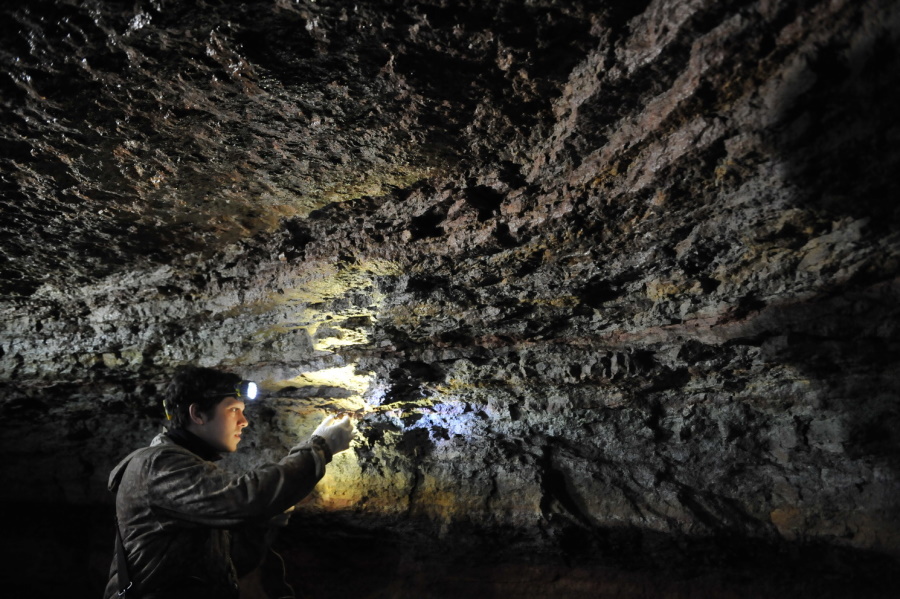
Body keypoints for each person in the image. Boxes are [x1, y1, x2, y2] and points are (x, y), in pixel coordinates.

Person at [103, 366, 353, 599]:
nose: (244, 421)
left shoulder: (190, 470)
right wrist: (319, 448)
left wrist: (267, 518)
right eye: (234, 409)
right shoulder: (158, 465)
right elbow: (245, 500)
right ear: (198, 413)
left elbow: (234, 564)